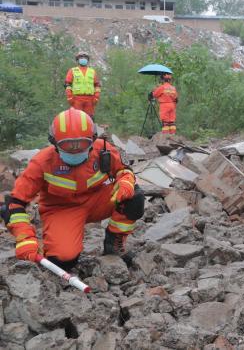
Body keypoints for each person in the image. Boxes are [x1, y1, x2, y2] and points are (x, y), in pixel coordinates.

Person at [1, 109, 144, 270]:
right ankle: (44, 245)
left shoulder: (103, 150)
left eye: (82, 144)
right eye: (68, 145)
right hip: (63, 209)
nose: (75, 150)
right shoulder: (42, 162)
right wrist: (24, 237)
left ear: (93, 140)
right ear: (54, 142)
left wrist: (126, 181)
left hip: (100, 201)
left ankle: (114, 243)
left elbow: (124, 169)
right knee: (63, 261)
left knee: (135, 197)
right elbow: (16, 203)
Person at [65, 51, 101, 119]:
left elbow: (97, 85)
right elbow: (67, 84)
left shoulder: (92, 71)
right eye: (81, 57)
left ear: (87, 60)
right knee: (76, 119)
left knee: (89, 119)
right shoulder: (72, 71)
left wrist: (96, 97)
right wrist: (69, 97)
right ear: (78, 60)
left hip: (90, 100)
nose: (83, 59)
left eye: (85, 58)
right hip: (77, 99)